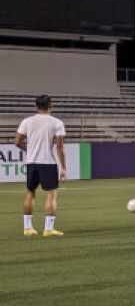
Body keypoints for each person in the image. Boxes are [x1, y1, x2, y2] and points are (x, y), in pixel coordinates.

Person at [16, 95, 67, 237]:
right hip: (48, 162)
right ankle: (48, 229)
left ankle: (27, 228)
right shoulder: (57, 123)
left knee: (30, 192)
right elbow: (59, 147)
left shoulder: (27, 121)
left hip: (32, 162)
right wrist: (64, 168)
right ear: (51, 106)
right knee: (51, 194)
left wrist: (28, 150)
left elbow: (17, 142)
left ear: (36, 107)